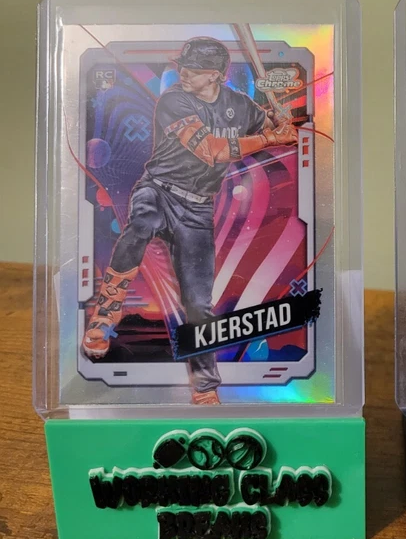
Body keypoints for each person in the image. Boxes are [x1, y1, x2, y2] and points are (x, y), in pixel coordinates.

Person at [82, 36, 297, 404]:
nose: (182, 73)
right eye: (182, 66)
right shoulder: (173, 100)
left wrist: (281, 124)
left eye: (192, 70)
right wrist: (269, 138)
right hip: (158, 190)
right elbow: (211, 150)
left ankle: (205, 387)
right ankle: (106, 313)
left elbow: (270, 124)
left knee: (198, 302)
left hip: (197, 210)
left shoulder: (240, 106)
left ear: (215, 75)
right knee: (141, 224)